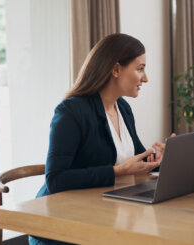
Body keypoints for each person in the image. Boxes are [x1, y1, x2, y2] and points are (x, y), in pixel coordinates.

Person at [30, 33, 164, 245]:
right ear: (116, 69)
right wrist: (116, 172)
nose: (145, 78)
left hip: (105, 216)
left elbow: (137, 160)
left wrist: (158, 159)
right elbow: (56, 179)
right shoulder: (71, 112)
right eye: (140, 69)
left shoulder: (124, 109)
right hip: (63, 226)